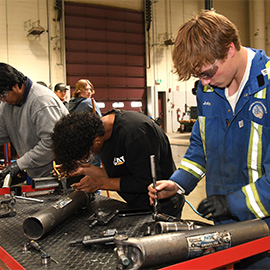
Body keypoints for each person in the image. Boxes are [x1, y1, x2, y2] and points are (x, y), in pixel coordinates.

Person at [148, 10, 270, 268]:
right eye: (200, 76)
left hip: (264, 231)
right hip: (225, 225)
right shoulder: (208, 89)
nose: (205, 82)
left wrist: (232, 203)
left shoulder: (267, 89)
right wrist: (177, 184)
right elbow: (201, 147)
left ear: (229, 50)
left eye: (208, 72)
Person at [52, 109, 184, 215]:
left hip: (162, 206)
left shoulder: (136, 134)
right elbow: (119, 171)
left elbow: (145, 182)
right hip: (136, 205)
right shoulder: (99, 132)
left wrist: (100, 183)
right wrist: (84, 168)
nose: (92, 155)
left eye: (88, 154)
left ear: (96, 141)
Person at [0, 63, 68, 182]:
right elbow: (2, 132)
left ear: (16, 85)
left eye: (3, 95)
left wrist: (19, 164)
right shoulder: (7, 105)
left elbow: (51, 144)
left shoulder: (42, 101)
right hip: (38, 174)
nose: (3, 100)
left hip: (60, 173)